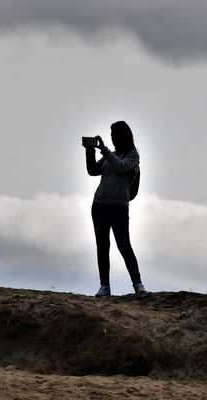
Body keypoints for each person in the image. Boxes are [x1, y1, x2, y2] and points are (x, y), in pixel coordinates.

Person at [82, 121, 145, 298]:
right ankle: (105, 286)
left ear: (122, 135)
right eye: (110, 135)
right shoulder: (112, 154)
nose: (112, 138)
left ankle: (138, 284)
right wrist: (90, 150)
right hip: (99, 205)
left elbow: (120, 167)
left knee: (124, 245)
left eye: (114, 134)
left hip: (119, 208)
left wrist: (105, 150)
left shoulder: (133, 156)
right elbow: (93, 170)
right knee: (102, 246)